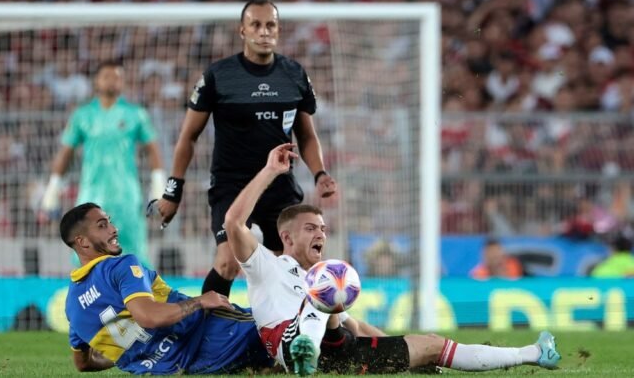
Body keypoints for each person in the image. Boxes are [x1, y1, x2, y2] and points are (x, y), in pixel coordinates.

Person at [224, 143, 562, 376]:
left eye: (324, 228)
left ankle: (534, 353)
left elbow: (356, 328)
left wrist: (399, 351)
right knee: (327, 283)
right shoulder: (267, 265)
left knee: (430, 344)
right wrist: (270, 170)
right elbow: (233, 223)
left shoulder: (326, 283)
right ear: (287, 237)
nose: (321, 235)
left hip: (337, 350)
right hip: (287, 342)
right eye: (311, 228)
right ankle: (303, 355)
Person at [155, 0, 337, 296]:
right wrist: (172, 191)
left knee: (291, 264)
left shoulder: (294, 75)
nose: (264, 31)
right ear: (242, 30)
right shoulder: (219, 76)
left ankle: (289, 336)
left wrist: (320, 174)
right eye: (256, 24)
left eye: (270, 25)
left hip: (279, 185)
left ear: (278, 30)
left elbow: (306, 135)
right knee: (228, 262)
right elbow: (188, 135)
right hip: (232, 184)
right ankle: (207, 333)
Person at [60, 203, 273, 374]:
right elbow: (148, 316)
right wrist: (200, 301)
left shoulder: (72, 306)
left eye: (109, 222)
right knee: (281, 325)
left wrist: (128, 358)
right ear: (82, 242)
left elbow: (83, 363)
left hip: (186, 368)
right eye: (102, 225)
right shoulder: (120, 266)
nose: (114, 229)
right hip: (210, 338)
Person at [41, 60, 164, 266]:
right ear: (96, 82)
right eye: (107, 76)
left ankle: (139, 296)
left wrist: (158, 187)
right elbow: (66, 153)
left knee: (133, 254)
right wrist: (52, 190)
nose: (112, 81)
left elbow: (152, 149)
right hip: (91, 196)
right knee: (86, 254)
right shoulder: (83, 115)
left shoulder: (136, 114)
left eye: (117, 77)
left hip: (126, 197)